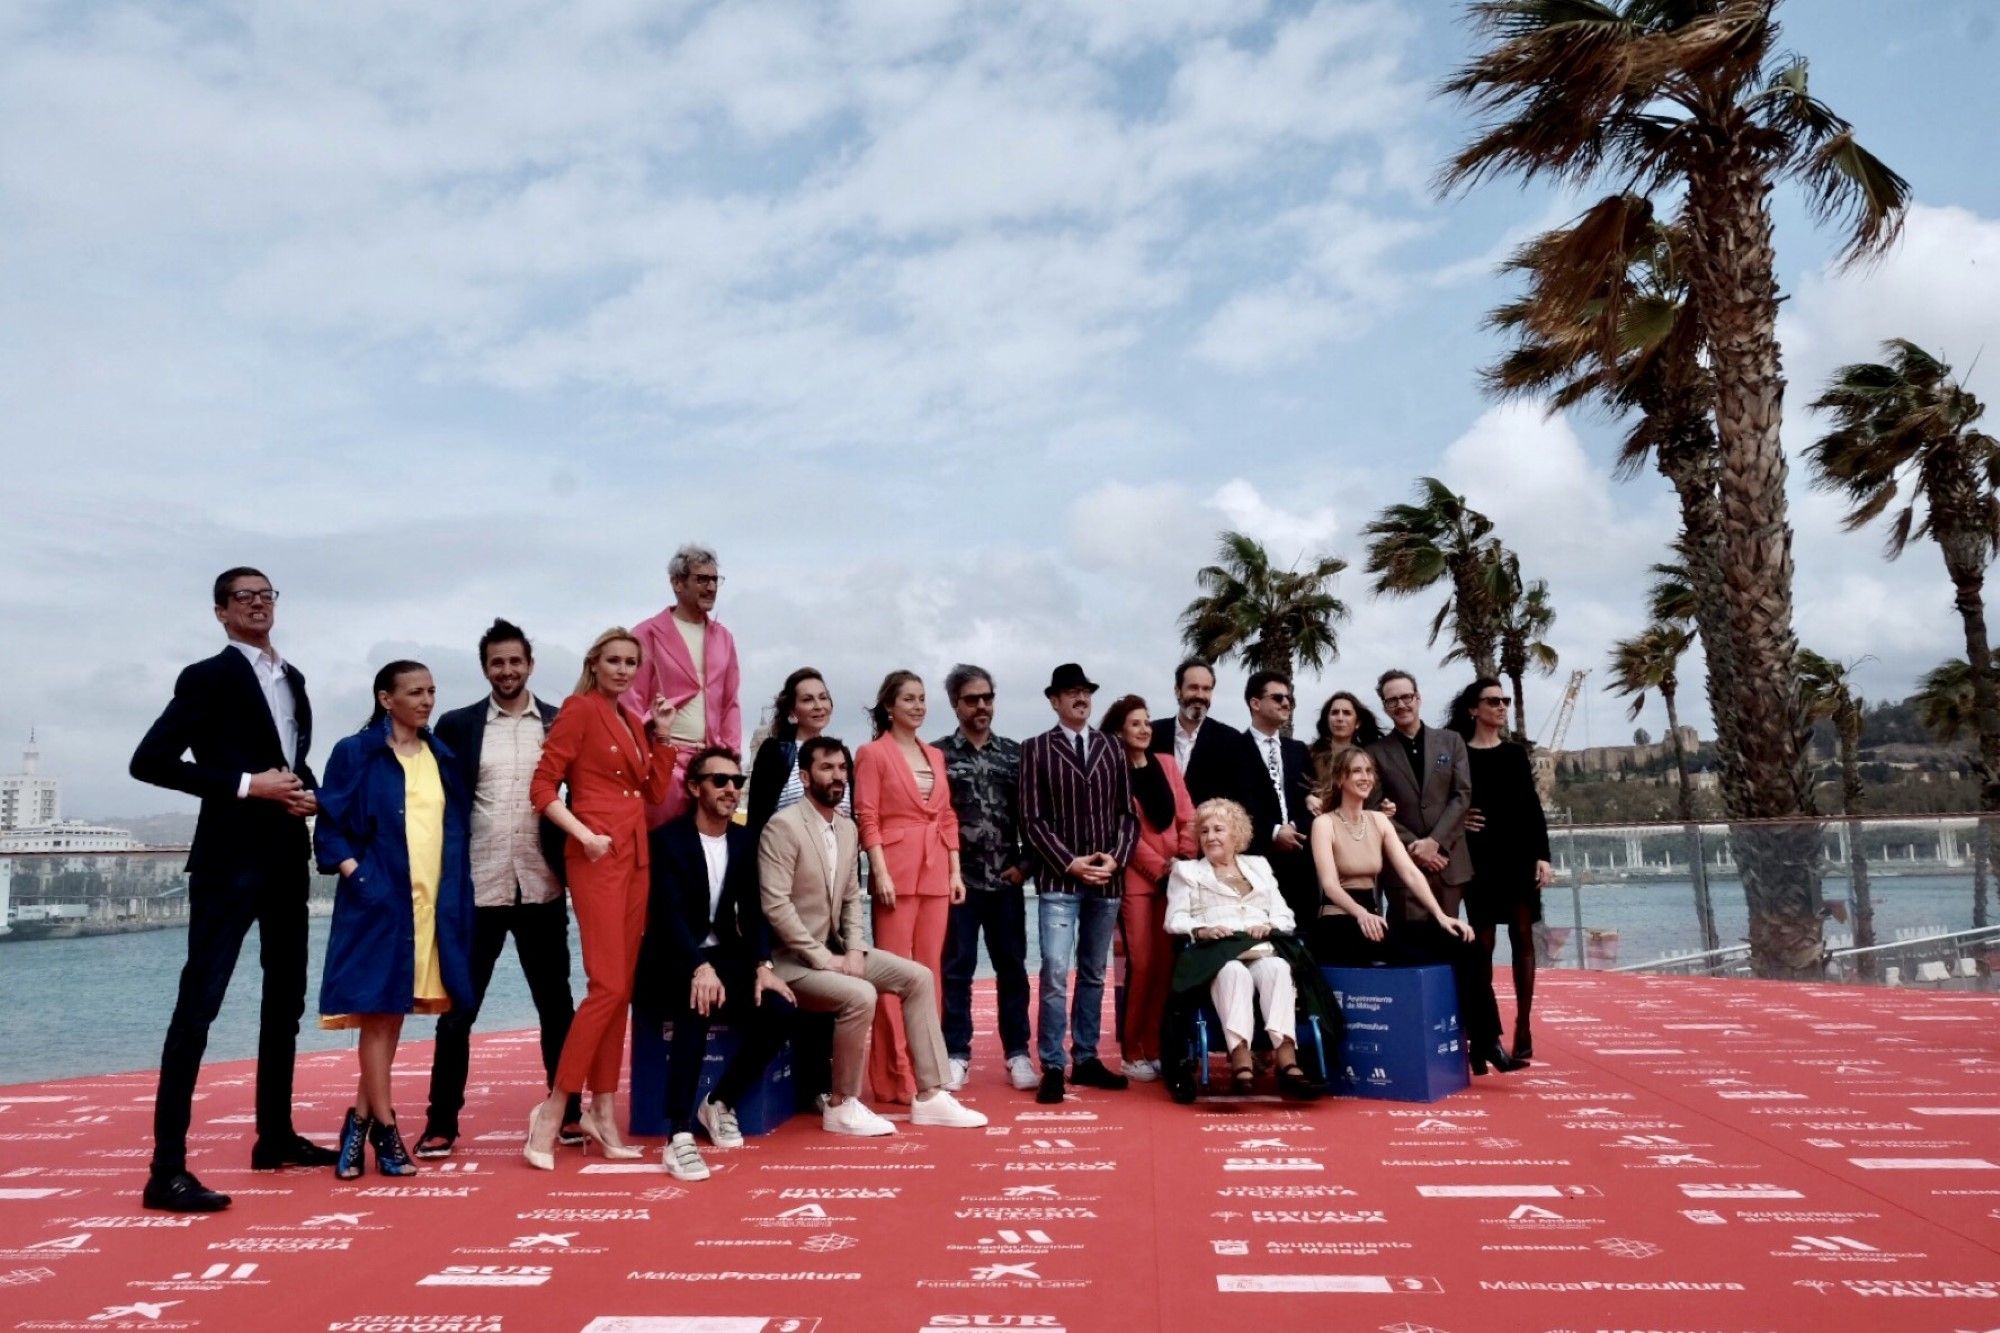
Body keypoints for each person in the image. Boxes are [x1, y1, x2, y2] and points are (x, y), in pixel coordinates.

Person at [130, 567, 337, 1211]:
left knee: (286, 1003)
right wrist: (249, 785)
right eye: (242, 597)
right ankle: (166, 1171)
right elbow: (151, 761)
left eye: (266, 594)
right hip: (226, 863)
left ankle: (273, 1136)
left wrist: (309, 795)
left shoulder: (293, 679)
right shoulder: (208, 676)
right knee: (199, 1009)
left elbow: (294, 763)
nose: (256, 604)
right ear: (220, 612)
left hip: (284, 858)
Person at [758, 736, 988, 1135]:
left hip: (837, 952)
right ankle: (842, 1103)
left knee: (919, 977)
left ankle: (931, 1094)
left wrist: (856, 950)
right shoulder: (783, 826)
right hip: (791, 962)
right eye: (826, 768)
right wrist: (822, 957)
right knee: (861, 994)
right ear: (805, 775)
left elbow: (850, 899)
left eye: (842, 769)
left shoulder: (847, 829)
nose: (837, 776)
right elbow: (776, 906)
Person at [415, 620, 582, 1158]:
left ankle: (568, 1114)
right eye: (496, 663)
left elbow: (582, 796)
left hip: (543, 884)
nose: (506, 671)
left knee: (556, 1008)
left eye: (515, 661)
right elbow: (435, 799)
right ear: (485, 667)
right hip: (477, 887)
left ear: (530, 663)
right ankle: (441, 1123)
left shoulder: (559, 722)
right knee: (459, 1012)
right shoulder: (458, 725)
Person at [523, 629, 681, 1168]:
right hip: (594, 857)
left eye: (631, 663)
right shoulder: (579, 709)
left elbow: (655, 793)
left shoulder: (632, 721)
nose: (623, 669)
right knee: (605, 986)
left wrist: (660, 736)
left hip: (635, 860)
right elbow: (542, 788)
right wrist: (582, 834)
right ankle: (555, 1107)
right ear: (594, 663)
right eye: (614, 660)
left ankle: (604, 1110)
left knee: (620, 991)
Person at [314, 661, 478, 1178]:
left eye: (432, 690)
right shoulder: (354, 752)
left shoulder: (441, 756)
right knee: (377, 1013)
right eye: (415, 692)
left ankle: (357, 1123)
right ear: (387, 699)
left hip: (432, 905)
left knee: (393, 1014)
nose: (427, 700)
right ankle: (386, 1130)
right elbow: (330, 826)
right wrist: (358, 876)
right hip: (377, 901)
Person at [1308, 745, 1524, 1075]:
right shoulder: (1324, 824)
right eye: (1357, 772)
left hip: (1374, 921)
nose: (1365, 778)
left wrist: (1441, 915)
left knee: (1463, 942)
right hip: (1338, 922)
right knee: (1405, 944)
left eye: (1369, 771)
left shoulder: (1378, 820)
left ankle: (1486, 1041)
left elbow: (1409, 872)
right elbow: (1330, 884)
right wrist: (1361, 913)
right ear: (1340, 778)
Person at [634, 745, 796, 1181]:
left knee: (780, 1007)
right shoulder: (667, 841)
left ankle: (719, 1102)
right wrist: (697, 968)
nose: (730, 789)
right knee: (697, 1003)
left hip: (724, 956)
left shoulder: (744, 841)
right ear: (693, 786)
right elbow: (666, 917)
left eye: (736, 782)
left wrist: (763, 964)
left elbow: (755, 910)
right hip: (672, 958)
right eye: (719, 781)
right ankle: (678, 1136)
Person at [1019, 663, 1138, 1104]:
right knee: (1053, 972)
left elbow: (1128, 815)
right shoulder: (1035, 749)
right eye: (1071, 693)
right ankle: (1051, 1064)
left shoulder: (1112, 747)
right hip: (1058, 881)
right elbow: (1030, 820)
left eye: (1085, 692)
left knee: (1092, 974)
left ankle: (1085, 1058)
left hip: (1106, 882)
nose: (1080, 698)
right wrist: (1070, 863)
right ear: (1054, 700)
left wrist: (1116, 858)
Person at [1164, 799, 1332, 1099]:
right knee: (1233, 973)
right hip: (1216, 950)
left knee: (1278, 968)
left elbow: (1285, 915)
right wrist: (1201, 929)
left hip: (1260, 945)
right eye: (1204, 831)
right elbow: (1174, 919)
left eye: (1219, 829)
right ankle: (1240, 1056)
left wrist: (1269, 925)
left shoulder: (1259, 865)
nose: (1211, 837)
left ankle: (1286, 1059)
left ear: (1236, 834)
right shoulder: (1187, 872)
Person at [854, 672, 964, 1104]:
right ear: (889, 706)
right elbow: (867, 816)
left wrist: (955, 871)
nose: (918, 706)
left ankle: (927, 1072)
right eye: (909, 699)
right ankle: (892, 1074)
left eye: (922, 699)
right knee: (895, 975)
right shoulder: (872, 753)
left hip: (936, 869)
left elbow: (948, 815)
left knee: (931, 975)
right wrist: (877, 871)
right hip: (894, 871)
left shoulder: (935, 755)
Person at [936, 664, 1037, 1093]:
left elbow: (1034, 816)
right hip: (959, 884)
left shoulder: (1016, 754)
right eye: (972, 699)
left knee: (1012, 970)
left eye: (987, 698)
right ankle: (955, 1054)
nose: (982, 706)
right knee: (955, 972)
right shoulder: (937, 755)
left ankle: (1018, 1054)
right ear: (955, 704)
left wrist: (1027, 865)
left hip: (1006, 883)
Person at [1447, 678, 1552, 1061]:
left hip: (1519, 854)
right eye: (1493, 701)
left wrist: (1543, 856)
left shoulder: (1514, 754)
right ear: (1474, 709)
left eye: (1505, 700)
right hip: (1479, 857)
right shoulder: (1459, 753)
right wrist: (1459, 823)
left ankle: (1524, 1024)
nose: (1502, 706)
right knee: (1483, 944)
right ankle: (1485, 1032)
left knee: (1523, 937)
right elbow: (1447, 802)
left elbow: (1531, 807)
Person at [1102, 694, 1194, 1083]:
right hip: (1139, 880)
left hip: (1178, 877)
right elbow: (1126, 832)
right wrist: (1161, 868)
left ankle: (1155, 1047)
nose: (1144, 729)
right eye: (1136, 723)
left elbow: (1188, 815)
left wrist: (1186, 859)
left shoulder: (1169, 764)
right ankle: (1131, 1050)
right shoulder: (1113, 773)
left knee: (1166, 966)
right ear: (1120, 729)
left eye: (1147, 722)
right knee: (1141, 965)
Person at [624, 544, 742, 827]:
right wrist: (646, 755)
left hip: (711, 763)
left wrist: (730, 756)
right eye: (702, 579)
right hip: (665, 760)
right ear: (677, 583)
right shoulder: (646, 634)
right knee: (662, 844)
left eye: (715, 580)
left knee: (709, 849)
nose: (711, 587)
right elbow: (631, 700)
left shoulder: (723, 638)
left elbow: (731, 702)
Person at [1367, 670, 1475, 922]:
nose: (1401, 704)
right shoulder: (1374, 752)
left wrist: (1435, 842)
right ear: (1384, 706)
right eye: (1392, 700)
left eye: (1407, 697)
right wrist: (1416, 847)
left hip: (1449, 862)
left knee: (1451, 945)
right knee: (1411, 948)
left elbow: (1462, 796)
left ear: (1418, 698)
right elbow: (1373, 810)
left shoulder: (1451, 741)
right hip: (1404, 865)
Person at [1234, 671, 1318, 923]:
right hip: (1254, 860)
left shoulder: (1298, 750)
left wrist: (1294, 827)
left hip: (1301, 862)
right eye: (1278, 697)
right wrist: (1273, 831)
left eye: (1289, 699)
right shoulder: (1232, 749)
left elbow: (1312, 800)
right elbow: (1237, 804)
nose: (1286, 703)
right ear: (1255, 703)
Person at [745, 667, 843, 834]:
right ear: (792, 709)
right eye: (807, 700)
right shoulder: (775, 752)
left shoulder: (841, 756)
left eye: (823, 698)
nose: (818, 706)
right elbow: (758, 817)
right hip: (785, 853)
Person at [1149, 658, 1245, 808]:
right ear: (1177, 690)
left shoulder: (1231, 741)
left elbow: (1237, 800)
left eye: (1206, 689)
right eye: (1193, 687)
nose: (1200, 695)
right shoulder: (1151, 735)